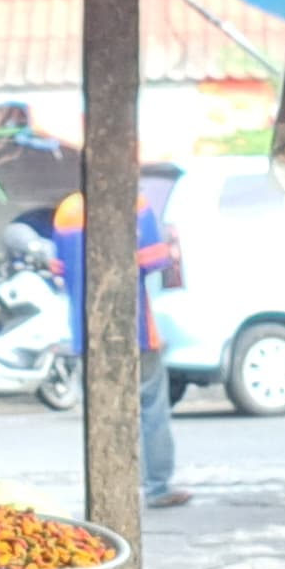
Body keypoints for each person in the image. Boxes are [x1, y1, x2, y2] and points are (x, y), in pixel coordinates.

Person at [49, 180, 187, 507]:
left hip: (87, 331)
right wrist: (168, 245)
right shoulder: (134, 204)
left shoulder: (67, 211)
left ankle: (107, 489)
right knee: (151, 405)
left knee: (103, 411)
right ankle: (157, 485)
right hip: (133, 325)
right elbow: (153, 260)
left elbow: (59, 271)